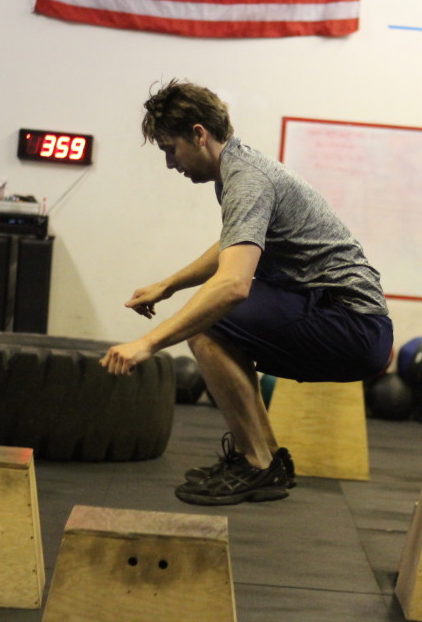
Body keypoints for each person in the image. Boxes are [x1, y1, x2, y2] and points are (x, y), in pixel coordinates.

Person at [100, 80, 393, 506]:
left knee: (209, 325)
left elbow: (234, 284)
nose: (169, 163)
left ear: (199, 134)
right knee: (220, 324)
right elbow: (233, 244)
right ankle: (268, 460)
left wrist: (148, 344)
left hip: (351, 324)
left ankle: (255, 463)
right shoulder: (237, 170)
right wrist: (169, 284)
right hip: (342, 318)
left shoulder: (247, 179)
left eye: (170, 148)